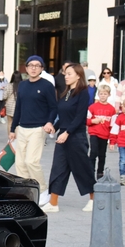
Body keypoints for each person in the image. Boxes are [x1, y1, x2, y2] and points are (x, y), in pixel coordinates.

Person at [42, 63, 96, 212]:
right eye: (65, 74)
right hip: (63, 136)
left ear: (78, 75)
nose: (66, 76)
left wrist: (67, 133)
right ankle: (53, 203)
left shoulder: (83, 92)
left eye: (69, 74)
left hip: (76, 137)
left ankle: (94, 199)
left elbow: (79, 117)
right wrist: (54, 127)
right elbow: (64, 116)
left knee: (82, 169)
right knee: (58, 169)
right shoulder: (65, 93)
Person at [9, 55, 57, 206]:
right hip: (22, 128)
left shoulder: (47, 86)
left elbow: (53, 107)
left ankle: (43, 190)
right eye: (31, 65)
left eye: (37, 65)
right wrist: (12, 128)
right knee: (20, 163)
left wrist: (49, 122)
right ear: (26, 68)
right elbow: (18, 108)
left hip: (38, 128)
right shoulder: (22, 85)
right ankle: (27, 191)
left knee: (32, 161)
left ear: (42, 69)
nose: (34, 68)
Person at [87, 85, 116, 180]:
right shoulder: (92, 107)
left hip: (105, 135)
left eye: (105, 94)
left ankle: (100, 173)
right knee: (93, 152)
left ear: (109, 95)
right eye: (101, 94)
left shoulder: (112, 109)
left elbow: (113, 127)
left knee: (102, 154)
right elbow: (86, 120)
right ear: (98, 94)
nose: (103, 96)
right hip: (94, 133)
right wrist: (93, 121)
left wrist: (112, 141)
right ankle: (90, 171)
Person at [109, 97, 125, 185]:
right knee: (123, 160)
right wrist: (112, 142)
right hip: (122, 143)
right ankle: (122, 176)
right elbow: (114, 130)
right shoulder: (120, 117)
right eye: (124, 106)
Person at [4, 71, 21, 136]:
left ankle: (10, 137)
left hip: (10, 106)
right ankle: (17, 136)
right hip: (19, 106)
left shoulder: (8, 85)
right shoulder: (22, 85)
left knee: (10, 123)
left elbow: (4, 96)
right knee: (17, 123)